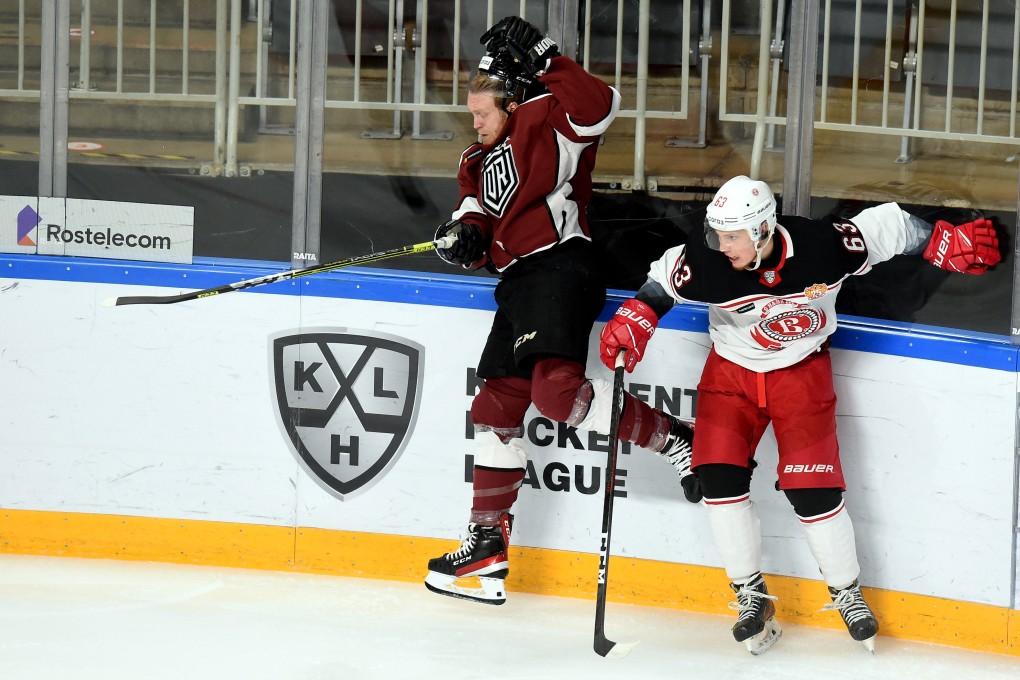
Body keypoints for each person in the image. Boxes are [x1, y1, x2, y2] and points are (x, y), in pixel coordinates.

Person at [599, 175, 1001, 654]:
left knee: (814, 493)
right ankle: (750, 595)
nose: (721, 245)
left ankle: (847, 593)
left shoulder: (821, 248)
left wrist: (938, 238)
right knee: (719, 482)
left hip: (801, 373)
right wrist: (637, 315)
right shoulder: (708, 261)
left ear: (765, 229)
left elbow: (887, 227)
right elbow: (663, 280)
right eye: (717, 234)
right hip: (731, 376)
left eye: (733, 236)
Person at [423, 16, 697, 606]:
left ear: (512, 101)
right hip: (518, 284)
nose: (473, 123)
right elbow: (474, 212)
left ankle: (677, 438)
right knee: (494, 404)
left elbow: (601, 106)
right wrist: (463, 236)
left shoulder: (547, 117)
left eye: (481, 112)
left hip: (561, 266)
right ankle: (487, 547)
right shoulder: (477, 157)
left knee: (554, 394)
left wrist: (547, 56)